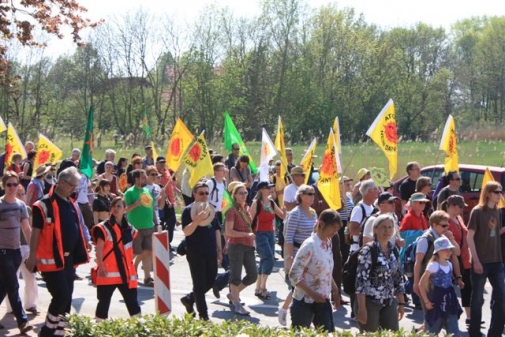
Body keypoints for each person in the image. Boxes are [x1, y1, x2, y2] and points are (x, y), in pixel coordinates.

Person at [26, 167, 91, 337]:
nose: (74, 189)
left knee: (67, 299)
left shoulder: (71, 202)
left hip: (68, 260)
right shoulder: (43, 205)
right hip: (51, 260)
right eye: (72, 185)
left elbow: (77, 225)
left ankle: (58, 332)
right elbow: (36, 233)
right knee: (60, 296)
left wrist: (84, 241)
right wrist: (32, 257)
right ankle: (47, 331)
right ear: (61, 183)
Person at [289, 209, 342, 332]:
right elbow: (294, 275)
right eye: (333, 227)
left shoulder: (328, 243)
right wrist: (313, 294)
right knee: (300, 334)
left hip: (323, 298)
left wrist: (334, 288)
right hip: (304, 300)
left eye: (337, 229)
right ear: (322, 224)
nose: (335, 232)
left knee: (327, 333)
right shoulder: (310, 245)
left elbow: (326, 270)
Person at [91, 197, 140, 320]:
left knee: (133, 303)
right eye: (114, 206)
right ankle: (99, 330)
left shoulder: (130, 229)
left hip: (126, 273)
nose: (116, 208)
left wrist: (130, 264)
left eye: (119, 206)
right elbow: (99, 249)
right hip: (107, 272)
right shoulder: (103, 228)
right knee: (103, 303)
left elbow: (133, 250)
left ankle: (139, 329)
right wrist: (101, 266)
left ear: (125, 209)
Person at [466, 181, 505, 337]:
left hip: (497, 261)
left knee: (501, 298)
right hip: (481, 261)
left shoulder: (498, 212)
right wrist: (475, 260)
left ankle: (494, 333)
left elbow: (494, 233)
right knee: (477, 299)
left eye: (501, 191)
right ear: (488, 193)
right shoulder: (477, 211)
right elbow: (470, 237)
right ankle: (474, 333)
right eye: (497, 191)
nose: (500, 194)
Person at [355, 214, 405, 332]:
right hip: (370, 302)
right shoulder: (368, 250)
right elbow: (361, 281)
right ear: (375, 229)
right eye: (383, 227)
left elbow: (398, 277)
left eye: (390, 227)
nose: (387, 230)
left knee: (392, 334)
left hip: (389, 302)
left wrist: (401, 303)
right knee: (369, 334)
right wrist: (362, 308)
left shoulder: (394, 250)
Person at [180, 182, 221, 320]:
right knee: (198, 284)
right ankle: (204, 315)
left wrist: (220, 250)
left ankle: (189, 299)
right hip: (195, 252)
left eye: (206, 193)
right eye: (201, 193)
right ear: (194, 194)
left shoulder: (211, 209)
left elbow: (216, 230)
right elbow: (186, 231)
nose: (204, 196)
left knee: (210, 281)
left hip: (211, 251)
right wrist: (197, 220)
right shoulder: (188, 210)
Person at [279, 184, 318, 326]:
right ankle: (285, 309)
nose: (312, 196)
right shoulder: (295, 213)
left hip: (311, 254)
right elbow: (288, 238)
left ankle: (288, 309)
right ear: (301, 196)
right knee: (299, 284)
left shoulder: (313, 213)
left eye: (313, 194)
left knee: (306, 285)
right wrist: (289, 259)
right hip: (296, 253)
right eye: (309, 193)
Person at [0, 171, 33, 334]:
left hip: (17, 251)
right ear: (3, 186)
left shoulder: (21, 205)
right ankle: (22, 321)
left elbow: (26, 228)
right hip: (3, 251)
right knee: (13, 285)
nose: (12, 188)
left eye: (15, 184)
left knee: (4, 286)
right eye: (9, 185)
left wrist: (34, 248)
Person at [413, 211, 462, 317]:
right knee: (431, 316)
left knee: (442, 316)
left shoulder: (444, 238)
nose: (447, 228)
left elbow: (457, 253)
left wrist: (451, 239)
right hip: (428, 285)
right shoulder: (425, 239)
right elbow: (418, 262)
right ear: (434, 225)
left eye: (448, 224)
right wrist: (416, 283)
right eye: (443, 225)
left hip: (443, 285)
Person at [418, 237, 463, 336]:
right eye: (445, 250)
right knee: (433, 330)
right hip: (437, 301)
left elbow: (449, 282)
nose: (449, 252)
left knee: (453, 330)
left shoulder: (449, 264)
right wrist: (426, 301)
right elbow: (421, 284)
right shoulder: (433, 265)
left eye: (450, 249)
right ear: (438, 251)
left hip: (450, 300)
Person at [225, 183, 258, 315]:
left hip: (248, 246)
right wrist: (245, 234)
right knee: (236, 276)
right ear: (234, 195)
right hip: (236, 246)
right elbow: (229, 232)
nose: (244, 195)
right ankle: (237, 303)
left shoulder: (246, 208)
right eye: (241, 193)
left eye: (245, 193)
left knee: (252, 275)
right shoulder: (232, 211)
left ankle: (234, 294)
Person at [250, 181, 285, 300]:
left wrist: (285, 209)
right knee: (269, 259)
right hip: (260, 234)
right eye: (267, 188)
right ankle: (263, 287)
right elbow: (249, 220)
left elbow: (282, 215)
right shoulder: (256, 204)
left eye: (270, 187)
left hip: (270, 233)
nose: (270, 189)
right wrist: (250, 235)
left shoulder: (271, 202)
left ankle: (258, 287)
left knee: (265, 260)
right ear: (261, 190)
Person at [124, 169, 158, 287]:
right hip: (136, 228)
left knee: (148, 252)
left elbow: (152, 208)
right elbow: (125, 209)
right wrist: (135, 204)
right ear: (136, 179)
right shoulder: (129, 192)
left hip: (149, 226)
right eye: (143, 177)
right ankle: (128, 271)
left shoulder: (147, 191)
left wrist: (156, 223)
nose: (145, 179)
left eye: (145, 177)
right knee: (134, 252)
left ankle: (147, 277)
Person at [441, 195, 472, 325]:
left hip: (464, 259)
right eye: (460, 207)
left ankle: (470, 317)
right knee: (450, 291)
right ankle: (444, 320)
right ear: (452, 206)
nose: (462, 209)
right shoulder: (446, 221)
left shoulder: (458, 218)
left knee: (468, 288)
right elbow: (449, 247)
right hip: (452, 260)